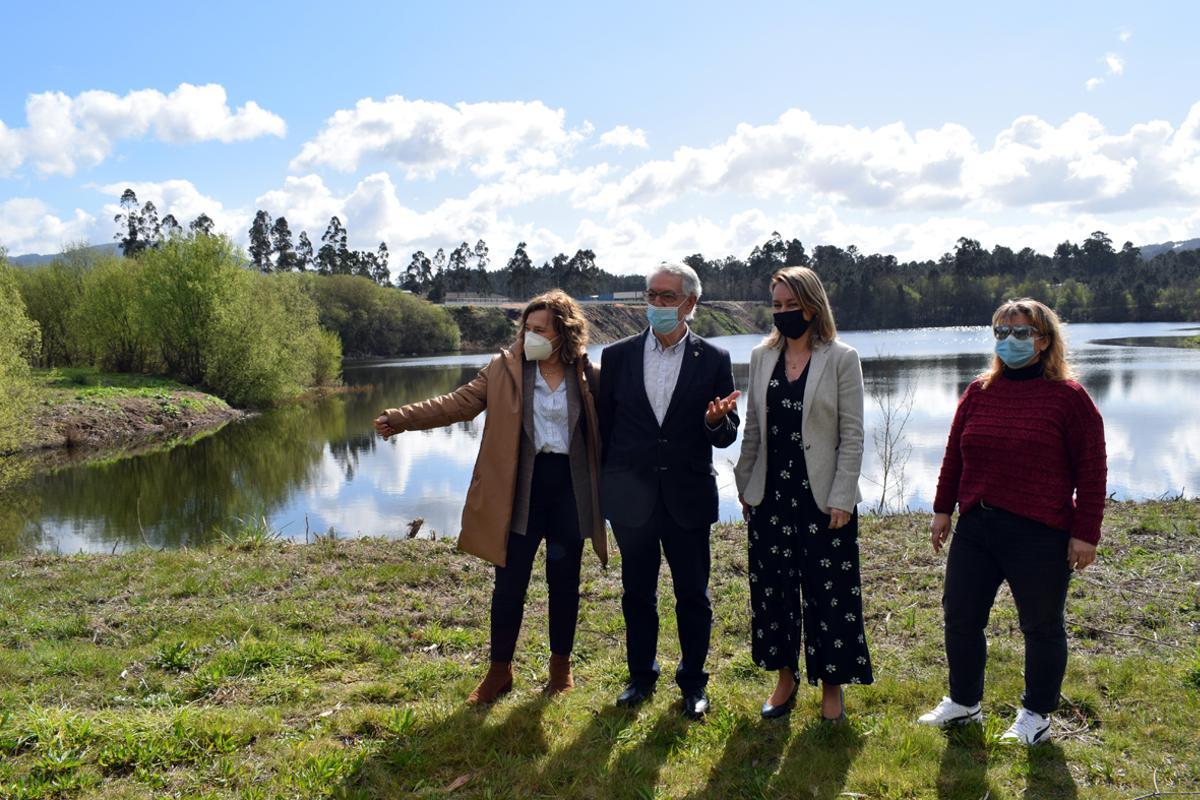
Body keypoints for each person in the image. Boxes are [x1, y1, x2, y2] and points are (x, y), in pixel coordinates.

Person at [373, 290, 606, 705]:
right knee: (508, 584)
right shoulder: (504, 369)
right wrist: (401, 418)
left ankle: (560, 668)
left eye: (540, 330)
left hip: (570, 488)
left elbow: (619, 421)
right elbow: (458, 404)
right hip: (521, 487)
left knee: (564, 581)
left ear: (564, 334)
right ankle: (499, 672)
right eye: (526, 329)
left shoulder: (587, 373)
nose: (529, 336)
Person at [919, 298, 1107, 745]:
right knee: (961, 616)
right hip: (977, 528)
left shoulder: (1069, 398)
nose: (1009, 341)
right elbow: (954, 456)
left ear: (1043, 341)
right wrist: (943, 509)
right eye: (1001, 333)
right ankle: (965, 703)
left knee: (1041, 626)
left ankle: (1036, 715)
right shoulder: (980, 391)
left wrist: (1085, 534)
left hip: (1040, 533)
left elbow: (1092, 470)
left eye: (1020, 333)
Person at [597, 262, 740, 719]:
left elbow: (726, 434)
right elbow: (604, 429)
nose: (656, 304)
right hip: (631, 500)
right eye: (651, 295)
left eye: (667, 297)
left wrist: (715, 421)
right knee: (636, 593)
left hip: (688, 497)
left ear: (690, 304)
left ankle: (693, 682)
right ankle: (641, 676)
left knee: (693, 595)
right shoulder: (617, 357)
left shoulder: (714, 359)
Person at [733, 266, 873, 722]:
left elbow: (851, 435)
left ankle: (832, 686)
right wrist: (746, 486)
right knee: (772, 592)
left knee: (829, 591)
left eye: (792, 305)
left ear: (814, 306)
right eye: (777, 305)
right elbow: (754, 425)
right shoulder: (760, 356)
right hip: (771, 495)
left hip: (822, 498)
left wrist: (842, 497)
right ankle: (785, 677)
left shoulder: (841, 357)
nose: (784, 313)